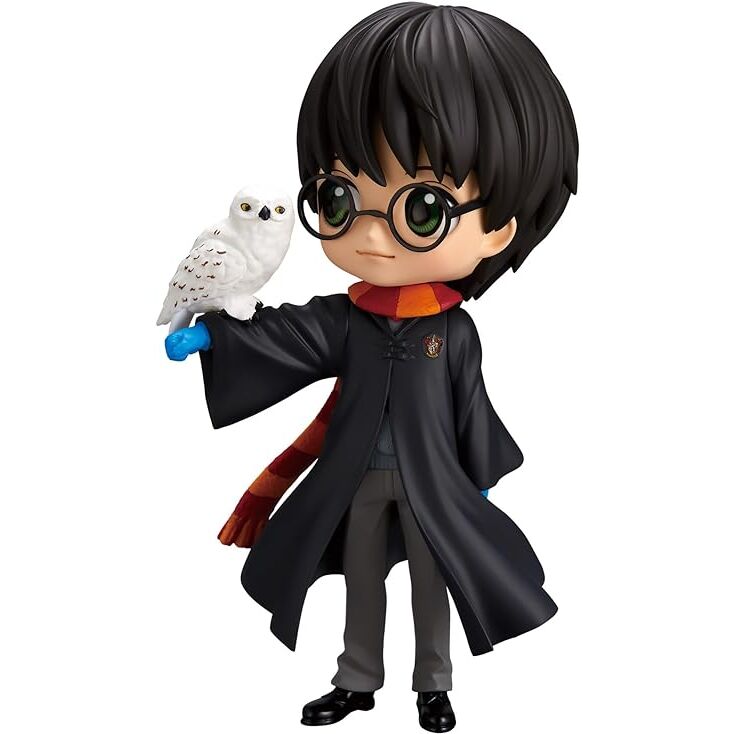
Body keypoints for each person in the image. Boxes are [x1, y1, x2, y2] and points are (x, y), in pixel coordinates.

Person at [164, 4, 578, 731]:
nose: (369, 238)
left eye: (422, 211)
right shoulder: (348, 317)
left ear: (499, 230)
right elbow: (287, 335)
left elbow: (471, 406)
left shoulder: (452, 331)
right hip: (354, 476)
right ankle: (357, 680)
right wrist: (213, 338)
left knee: (431, 584)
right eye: (338, 197)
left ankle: (433, 684)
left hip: (432, 484)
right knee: (361, 580)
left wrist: (478, 479)